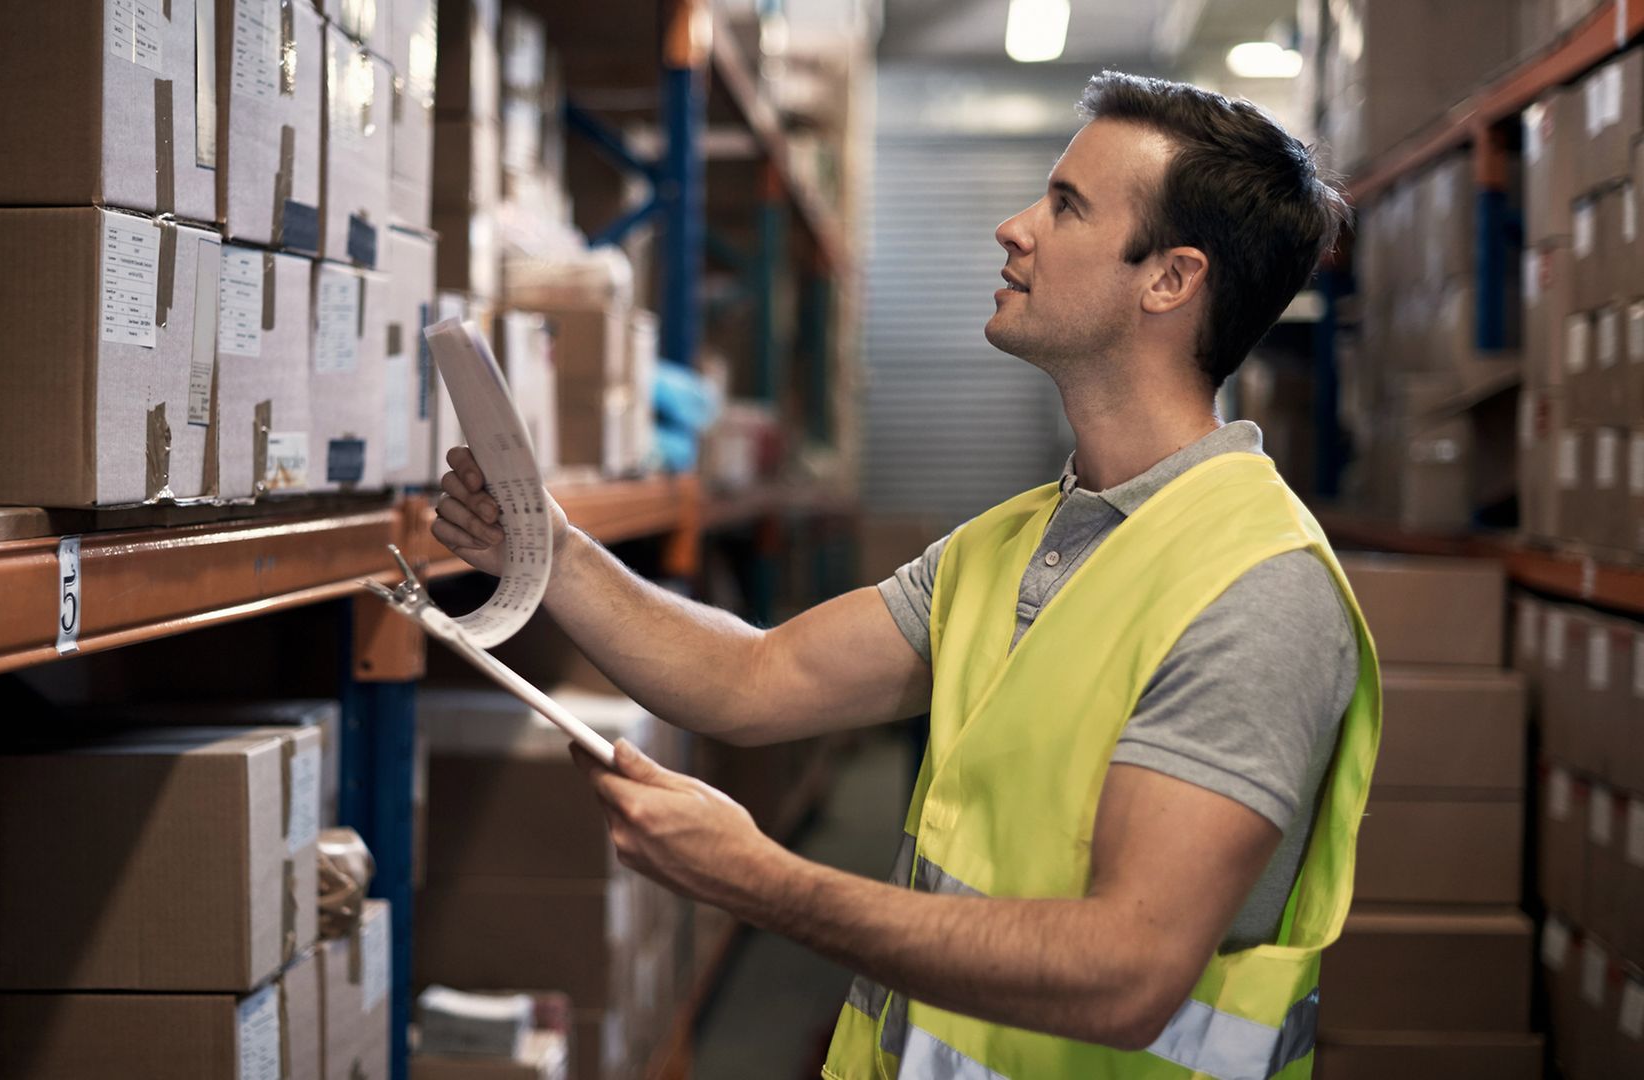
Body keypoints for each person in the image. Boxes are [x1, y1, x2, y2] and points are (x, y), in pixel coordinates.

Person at [431, 71, 1377, 1080]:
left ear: (1171, 281)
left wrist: (759, 880)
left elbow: (1127, 974)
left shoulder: (1256, 587)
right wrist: (554, 551)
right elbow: (752, 678)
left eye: (1066, 207)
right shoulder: (1011, 543)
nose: (1014, 229)